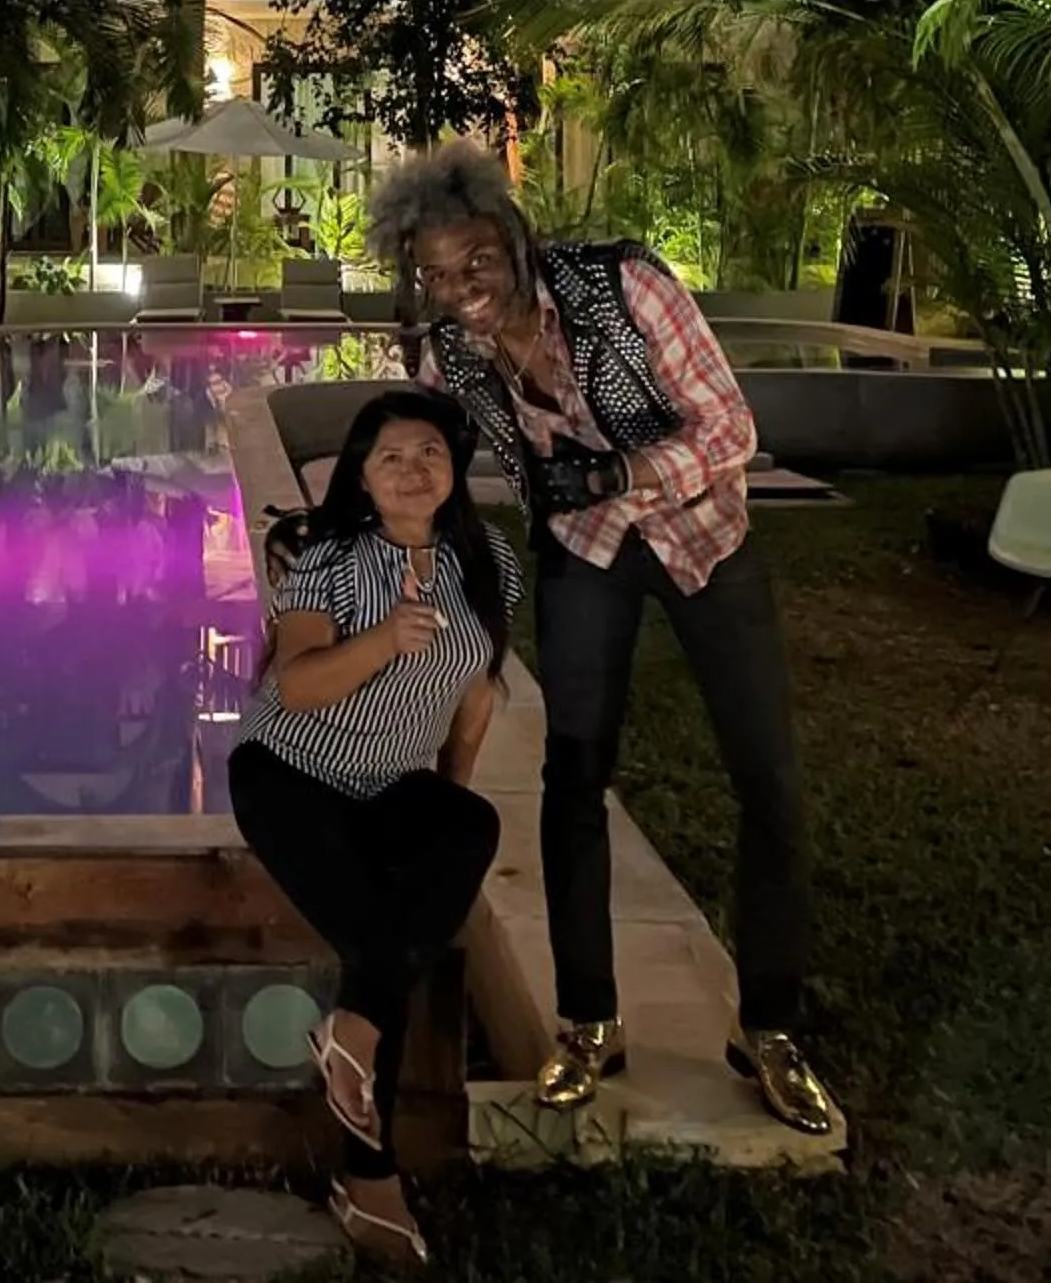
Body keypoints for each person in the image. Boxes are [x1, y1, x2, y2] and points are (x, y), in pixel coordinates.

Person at [370, 142, 837, 1136]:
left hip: (706, 538)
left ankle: (773, 1031)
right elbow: (420, 462)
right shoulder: (447, 353)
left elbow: (729, 430)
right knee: (573, 780)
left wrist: (623, 479)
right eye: (436, 279)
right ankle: (588, 1021)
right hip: (583, 553)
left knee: (772, 783)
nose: (461, 294)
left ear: (514, 240)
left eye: (476, 266)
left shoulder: (628, 285)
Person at [228, 388, 522, 1268]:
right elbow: (300, 686)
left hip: (388, 781)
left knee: (467, 825)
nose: (412, 469)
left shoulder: (486, 559)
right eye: (390, 455)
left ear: (453, 469)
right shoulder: (331, 557)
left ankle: (350, 1042)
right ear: (360, 473)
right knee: (378, 947)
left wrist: (439, 823)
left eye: (429, 452)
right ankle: (370, 1175)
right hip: (290, 773)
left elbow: (476, 692)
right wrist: (388, 639)